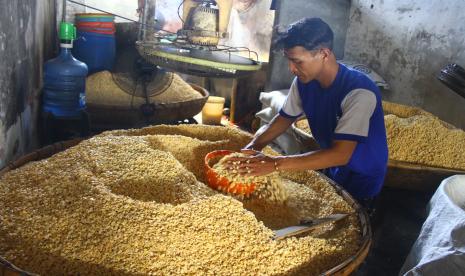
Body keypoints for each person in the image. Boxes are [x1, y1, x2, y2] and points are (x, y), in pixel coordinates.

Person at [228, 17, 388, 208]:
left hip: (362, 174)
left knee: (353, 221)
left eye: (297, 61)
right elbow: (283, 119)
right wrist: (254, 146)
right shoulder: (305, 82)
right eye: (289, 60)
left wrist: (275, 164)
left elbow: (341, 154)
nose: (291, 68)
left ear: (323, 54)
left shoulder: (359, 92)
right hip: (332, 165)